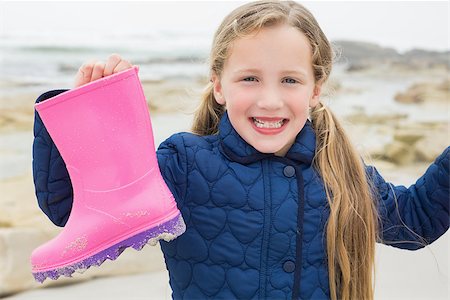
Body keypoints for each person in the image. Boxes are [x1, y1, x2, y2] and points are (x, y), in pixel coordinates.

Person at [32, 1, 449, 299]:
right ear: (218, 85)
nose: (269, 100)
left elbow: (417, 220)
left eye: (290, 80)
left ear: (316, 90)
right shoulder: (183, 163)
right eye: (249, 78)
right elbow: (73, 210)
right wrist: (84, 121)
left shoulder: (341, 172)